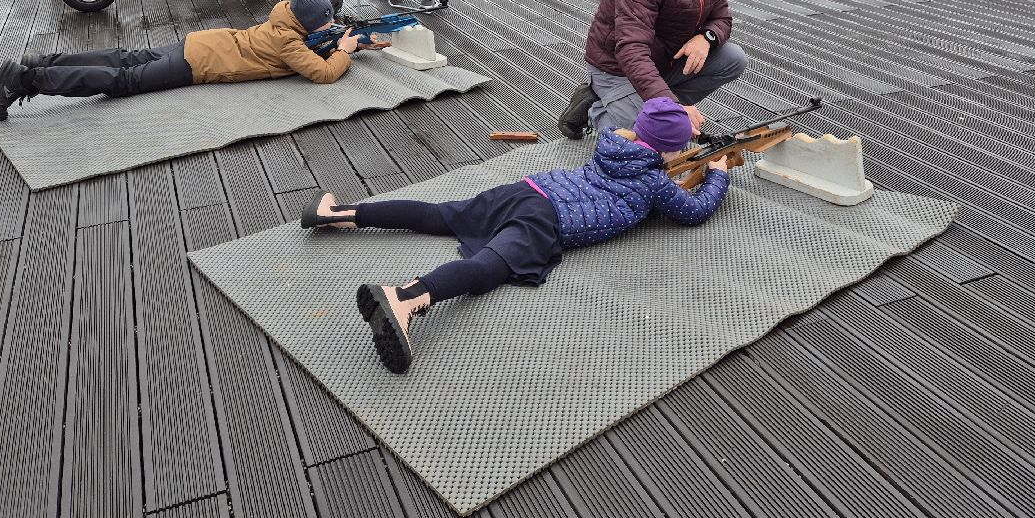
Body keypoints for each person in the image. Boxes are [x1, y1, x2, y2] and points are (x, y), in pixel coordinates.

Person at [301, 96, 729, 373]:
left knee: (439, 215)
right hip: (547, 221)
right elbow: (692, 212)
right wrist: (717, 176)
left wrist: (676, 121)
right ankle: (406, 298)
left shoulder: (612, 141)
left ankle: (338, 212)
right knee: (487, 266)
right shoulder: (654, 183)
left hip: (529, 189)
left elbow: (654, 122)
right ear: (669, 148)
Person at [0, 0, 370, 119]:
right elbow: (321, 73)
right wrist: (346, 50)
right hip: (198, 65)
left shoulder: (285, 19)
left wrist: (340, 38)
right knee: (123, 80)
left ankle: (45, 61)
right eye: (326, 23)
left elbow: (310, 44)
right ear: (307, 23)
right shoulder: (290, 41)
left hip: (201, 41)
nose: (331, 28)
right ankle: (28, 79)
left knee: (125, 57)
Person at [557, 0, 747, 140]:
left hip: (663, 61)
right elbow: (631, 49)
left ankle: (654, 105)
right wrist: (671, 107)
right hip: (617, 68)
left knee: (733, 58)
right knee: (654, 135)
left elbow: (722, 18)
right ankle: (594, 109)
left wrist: (706, 37)